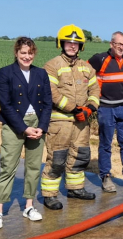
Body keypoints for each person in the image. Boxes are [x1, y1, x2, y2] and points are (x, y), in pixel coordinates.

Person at [0, 36, 52, 230]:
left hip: (37, 124)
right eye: (23, 53)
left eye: (30, 53)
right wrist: (24, 128)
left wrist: (41, 127)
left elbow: (48, 103)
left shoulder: (41, 74)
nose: (27, 56)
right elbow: (5, 105)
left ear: (34, 54)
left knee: (34, 167)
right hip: (14, 124)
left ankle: (29, 206)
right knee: (8, 166)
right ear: (16, 53)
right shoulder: (5, 73)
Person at [40, 24, 100, 210]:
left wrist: (89, 109)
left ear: (81, 46)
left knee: (80, 156)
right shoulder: (52, 65)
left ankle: (75, 189)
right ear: (61, 43)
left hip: (82, 122)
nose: (72, 46)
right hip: (60, 122)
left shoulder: (86, 67)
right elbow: (51, 93)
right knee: (57, 159)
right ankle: (50, 195)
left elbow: (95, 90)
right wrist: (75, 109)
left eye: (76, 43)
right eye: (68, 42)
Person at [88, 31, 123, 193]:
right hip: (106, 108)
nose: (121, 48)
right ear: (111, 44)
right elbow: (83, 72)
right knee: (105, 143)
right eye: (119, 44)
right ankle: (105, 176)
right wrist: (92, 95)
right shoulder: (100, 59)